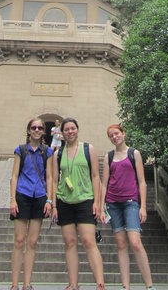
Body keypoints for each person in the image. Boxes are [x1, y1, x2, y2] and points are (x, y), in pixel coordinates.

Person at [51, 117, 105, 290]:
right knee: (70, 243)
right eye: (66, 129)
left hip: (85, 200)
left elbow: (96, 176)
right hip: (64, 201)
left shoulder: (88, 149)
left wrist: (97, 202)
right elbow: (53, 180)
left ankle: (100, 283)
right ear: (62, 133)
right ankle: (73, 283)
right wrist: (53, 205)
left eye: (73, 128)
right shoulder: (57, 154)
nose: (70, 132)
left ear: (77, 129)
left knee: (89, 241)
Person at [100, 124, 155, 290]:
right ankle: (125, 286)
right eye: (111, 135)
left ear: (123, 134)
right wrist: (102, 207)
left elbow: (142, 182)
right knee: (121, 244)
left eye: (116, 133)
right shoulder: (109, 156)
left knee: (135, 242)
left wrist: (143, 206)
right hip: (113, 203)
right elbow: (104, 184)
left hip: (131, 202)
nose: (114, 137)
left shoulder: (134, 154)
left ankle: (149, 285)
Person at [9, 118, 53, 290]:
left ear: (43, 131)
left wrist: (50, 200)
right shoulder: (20, 150)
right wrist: (12, 199)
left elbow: (50, 177)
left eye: (40, 127)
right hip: (23, 195)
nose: (36, 130)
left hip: (40, 196)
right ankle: (14, 284)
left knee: (32, 242)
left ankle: (27, 284)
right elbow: (14, 176)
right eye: (33, 127)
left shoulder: (47, 152)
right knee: (19, 240)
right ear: (28, 130)